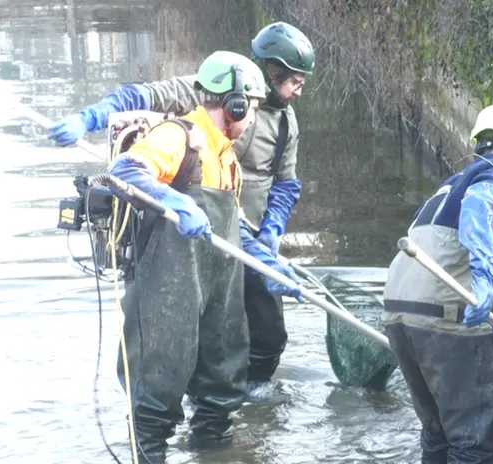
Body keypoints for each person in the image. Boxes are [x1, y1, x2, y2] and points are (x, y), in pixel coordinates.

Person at [48, 21, 316, 392]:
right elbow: (139, 98)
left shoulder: (286, 122)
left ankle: (249, 405)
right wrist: (89, 118)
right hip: (189, 234)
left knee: (267, 333)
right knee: (184, 339)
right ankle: (188, 404)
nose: (299, 92)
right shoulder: (213, 87)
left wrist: (271, 231)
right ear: (272, 73)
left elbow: (286, 184)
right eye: (295, 82)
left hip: (246, 240)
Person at [108, 50, 301, 463]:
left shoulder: (228, 159)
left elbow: (232, 231)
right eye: (250, 108)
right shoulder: (179, 137)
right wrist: (174, 201)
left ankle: (214, 452)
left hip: (218, 291)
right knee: (156, 396)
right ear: (234, 104)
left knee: (221, 389)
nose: (251, 119)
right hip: (168, 292)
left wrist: (268, 265)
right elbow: (125, 171)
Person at [382, 103, 493, 463]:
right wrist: (483, 280)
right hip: (440, 318)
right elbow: (482, 209)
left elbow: (444, 258)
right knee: (473, 443)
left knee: (437, 434)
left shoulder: (450, 186)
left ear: (478, 143)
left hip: (399, 315)